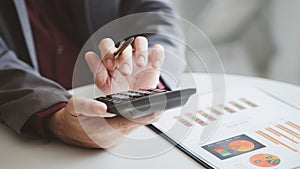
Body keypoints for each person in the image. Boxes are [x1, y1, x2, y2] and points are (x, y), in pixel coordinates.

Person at [0, 0, 185, 148]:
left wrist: (148, 72)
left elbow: (156, 11)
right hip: (25, 135)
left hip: (116, 110)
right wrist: (56, 116)